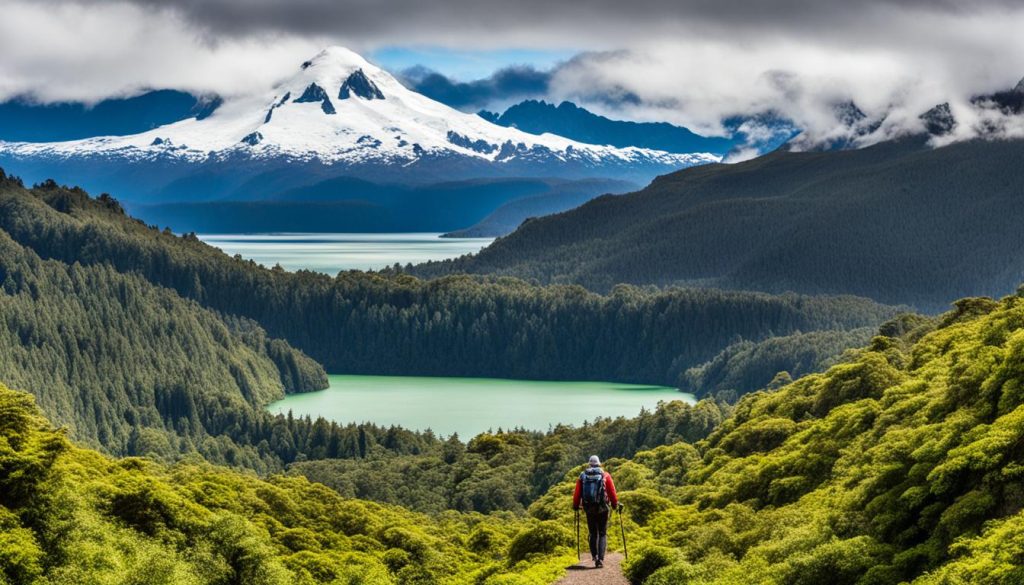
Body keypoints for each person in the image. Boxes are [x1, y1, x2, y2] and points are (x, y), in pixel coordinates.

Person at [572, 455, 620, 568]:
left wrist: (575, 505)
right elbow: (612, 492)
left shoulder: (582, 476)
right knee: (602, 533)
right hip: (603, 508)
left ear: (589, 464)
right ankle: (601, 559)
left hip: (589, 508)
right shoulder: (605, 475)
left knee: (593, 533)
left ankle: (595, 556)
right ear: (599, 463)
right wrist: (614, 504)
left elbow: (577, 493)